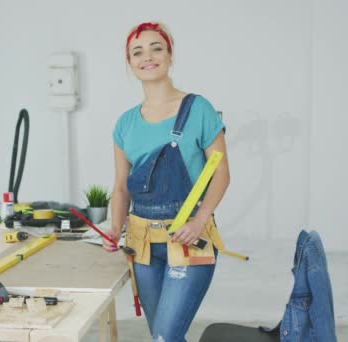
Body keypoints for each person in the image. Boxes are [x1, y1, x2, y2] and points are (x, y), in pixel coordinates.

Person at [103, 22, 230, 342]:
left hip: (188, 237)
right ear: (130, 64)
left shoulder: (197, 108)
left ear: (170, 56)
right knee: (162, 336)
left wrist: (200, 221)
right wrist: (114, 227)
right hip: (142, 243)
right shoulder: (126, 123)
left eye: (156, 48)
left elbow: (222, 173)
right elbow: (120, 187)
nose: (148, 56)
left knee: (165, 337)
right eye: (137, 51)